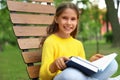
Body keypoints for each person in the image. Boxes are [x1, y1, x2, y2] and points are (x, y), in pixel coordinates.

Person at [39, 2, 120, 80]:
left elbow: (83, 72)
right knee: (70, 74)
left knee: (113, 64)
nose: (69, 22)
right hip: (64, 77)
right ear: (56, 19)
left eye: (73, 19)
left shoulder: (78, 44)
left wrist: (90, 63)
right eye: (64, 18)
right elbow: (43, 76)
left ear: (77, 21)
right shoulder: (50, 41)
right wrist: (54, 66)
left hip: (79, 77)